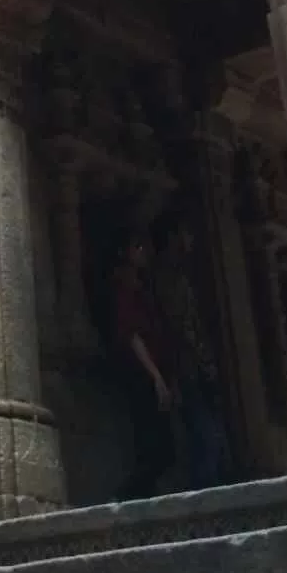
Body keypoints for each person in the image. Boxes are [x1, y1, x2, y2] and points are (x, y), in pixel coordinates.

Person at [152, 210, 230, 490]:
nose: (191, 239)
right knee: (204, 435)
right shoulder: (164, 278)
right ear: (173, 237)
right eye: (185, 233)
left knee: (211, 435)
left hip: (196, 366)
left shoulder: (179, 276)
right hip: (184, 367)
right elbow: (177, 327)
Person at [112, 230, 176, 500]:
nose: (144, 253)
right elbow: (132, 334)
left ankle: (142, 496)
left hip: (155, 369)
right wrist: (155, 376)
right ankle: (127, 496)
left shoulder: (145, 287)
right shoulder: (124, 288)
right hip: (141, 372)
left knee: (162, 445)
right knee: (155, 445)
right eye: (137, 247)